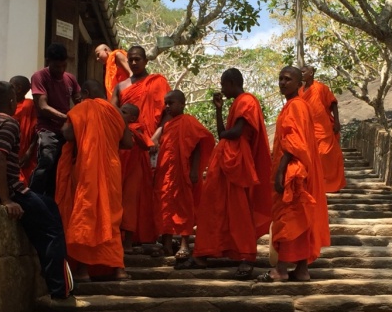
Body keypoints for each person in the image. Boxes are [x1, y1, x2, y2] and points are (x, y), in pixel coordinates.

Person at [0, 81, 88, 308]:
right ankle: (61, 293)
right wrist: (5, 200)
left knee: (47, 207)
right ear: (13, 101)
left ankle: (51, 281)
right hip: (6, 191)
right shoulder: (8, 123)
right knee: (53, 225)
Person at [177, 68, 272, 281]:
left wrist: (225, 135)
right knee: (213, 206)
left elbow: (235, 133)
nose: (221, 88)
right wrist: (219, 110)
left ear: (231, 82)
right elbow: (223, 133)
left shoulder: (247, 100)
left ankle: (246, 256)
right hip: (226, 158)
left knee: (240, 209)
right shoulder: (235, 104)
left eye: (223, 84)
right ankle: (204, 253)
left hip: (238, 160)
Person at [257, 66, 330, 282]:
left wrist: (280, 170)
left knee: (290, 217)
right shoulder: (296, 106)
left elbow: (293, 143)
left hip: (292, 170)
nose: (282, 83)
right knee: (301, 216)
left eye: (288, 79)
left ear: (299, 84)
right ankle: (301, 269)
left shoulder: (296, 106)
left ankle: (280, 270)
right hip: (298, 169)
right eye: (280, 78)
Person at [55, 79, 133, 282]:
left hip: (87, 170)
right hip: (112, 171)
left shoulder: (84, 108)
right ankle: (118, 270)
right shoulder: (116, 112)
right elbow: (127, 142)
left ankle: (82, 271)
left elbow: (67, 134)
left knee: (87, 214)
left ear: (86, 92)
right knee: (112, 217)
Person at [112, 46, 171, 248]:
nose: (134, 63)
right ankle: (121, 237)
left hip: (150, 144)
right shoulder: (120, 87)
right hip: (125, 145)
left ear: (146, 61)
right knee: (124, 191)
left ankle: (146, 234)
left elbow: (168, 112)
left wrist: (155, 137)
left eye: (138, 59)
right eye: (131, 60)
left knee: (147, 190)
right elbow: (112, 114)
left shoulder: (157, 82)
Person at [151, 90, 215, 261]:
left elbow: (198, 147)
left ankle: (184, 244)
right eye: (166, 103)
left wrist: (195, 170)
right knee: (164, 205)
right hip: (165, 174)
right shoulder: (167, 125)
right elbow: (153, 143)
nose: (167, 107)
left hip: (182, 172)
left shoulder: (189, 122)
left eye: (171, 103)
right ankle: (166, 243)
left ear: (182, 104)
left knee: (184, 205)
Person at [30, 43, 82, 197]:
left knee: (62, 168)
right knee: (46, 163)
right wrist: (68, 117)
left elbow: (80, 100)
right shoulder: (39, 77)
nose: (60, 70)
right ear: (48, 62)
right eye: (56, 66)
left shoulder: (70, 78)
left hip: (65, 132)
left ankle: (54, 202)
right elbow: (42, 107)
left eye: (63, 66)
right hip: (48, 130)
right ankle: (34, 199)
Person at [299, 65, 346, 192]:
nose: (301, 74)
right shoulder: (299, 91)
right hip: (307, 129)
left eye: (303, 71)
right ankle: (315, 183)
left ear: (311, 72)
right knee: (310, 156)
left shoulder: (321, 88)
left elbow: (333, 103)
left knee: (326, 154)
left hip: (323, 127)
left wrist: (336, 121)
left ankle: (331, 183)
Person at [9, 75, 37, 185]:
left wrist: (29, 152)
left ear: (19, 88)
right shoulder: (8, 105)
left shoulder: (29, 105)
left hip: (25, 153)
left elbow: (36, 130)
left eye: (11, 86)